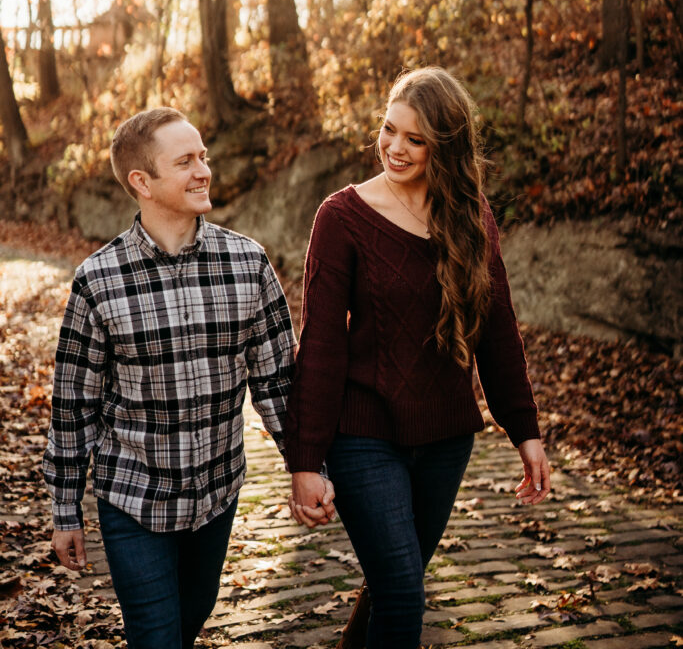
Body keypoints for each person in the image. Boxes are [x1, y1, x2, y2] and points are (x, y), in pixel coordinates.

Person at [43, 107, 333, 649]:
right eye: (185, 161)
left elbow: (277, 384)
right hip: (134, 495)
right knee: (156, 636)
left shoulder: (247, 263)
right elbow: (73, 406)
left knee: (192, 616)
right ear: (142, 182)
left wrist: (306, 465)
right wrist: (66, 511)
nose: (204, 170)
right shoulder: (97, 281)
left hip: (216, 494)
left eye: (204, 157)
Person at [284, 66, 551, 649]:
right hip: (363, 432)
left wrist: (524, 429)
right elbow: (322, 344)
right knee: (405, 591)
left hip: (446, 437)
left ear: (445, 148)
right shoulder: (341, 217)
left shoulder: (471, 216)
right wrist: (306, 460)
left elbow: (497, 329)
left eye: (415, 138)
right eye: (388, 129)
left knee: (393, 583)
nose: (394, 148)